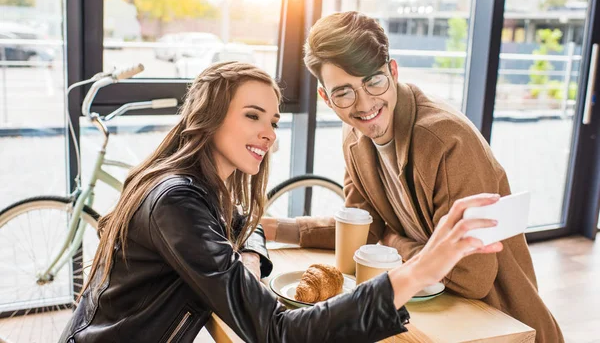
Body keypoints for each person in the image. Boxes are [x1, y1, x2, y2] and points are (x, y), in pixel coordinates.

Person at [60, 61, 503, 343]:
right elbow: (276, 333)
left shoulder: (197, 186)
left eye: (273, 120)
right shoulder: (177, 201)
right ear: (209, 117)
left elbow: (243, 224)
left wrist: (249, 255)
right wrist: (419, 270)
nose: (269, 133)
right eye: (252, 115)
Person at [262, 11, 563, 342]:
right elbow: (364, 228)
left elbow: (470, 276)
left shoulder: (446, 141)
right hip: (434, 314)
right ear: (325, 97)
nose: (364, 104)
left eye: (373, 81)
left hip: (499, 323)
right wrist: (269, 227)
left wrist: (392, 240)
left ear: (393, 70)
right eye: (343, 92)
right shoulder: (353, 136)